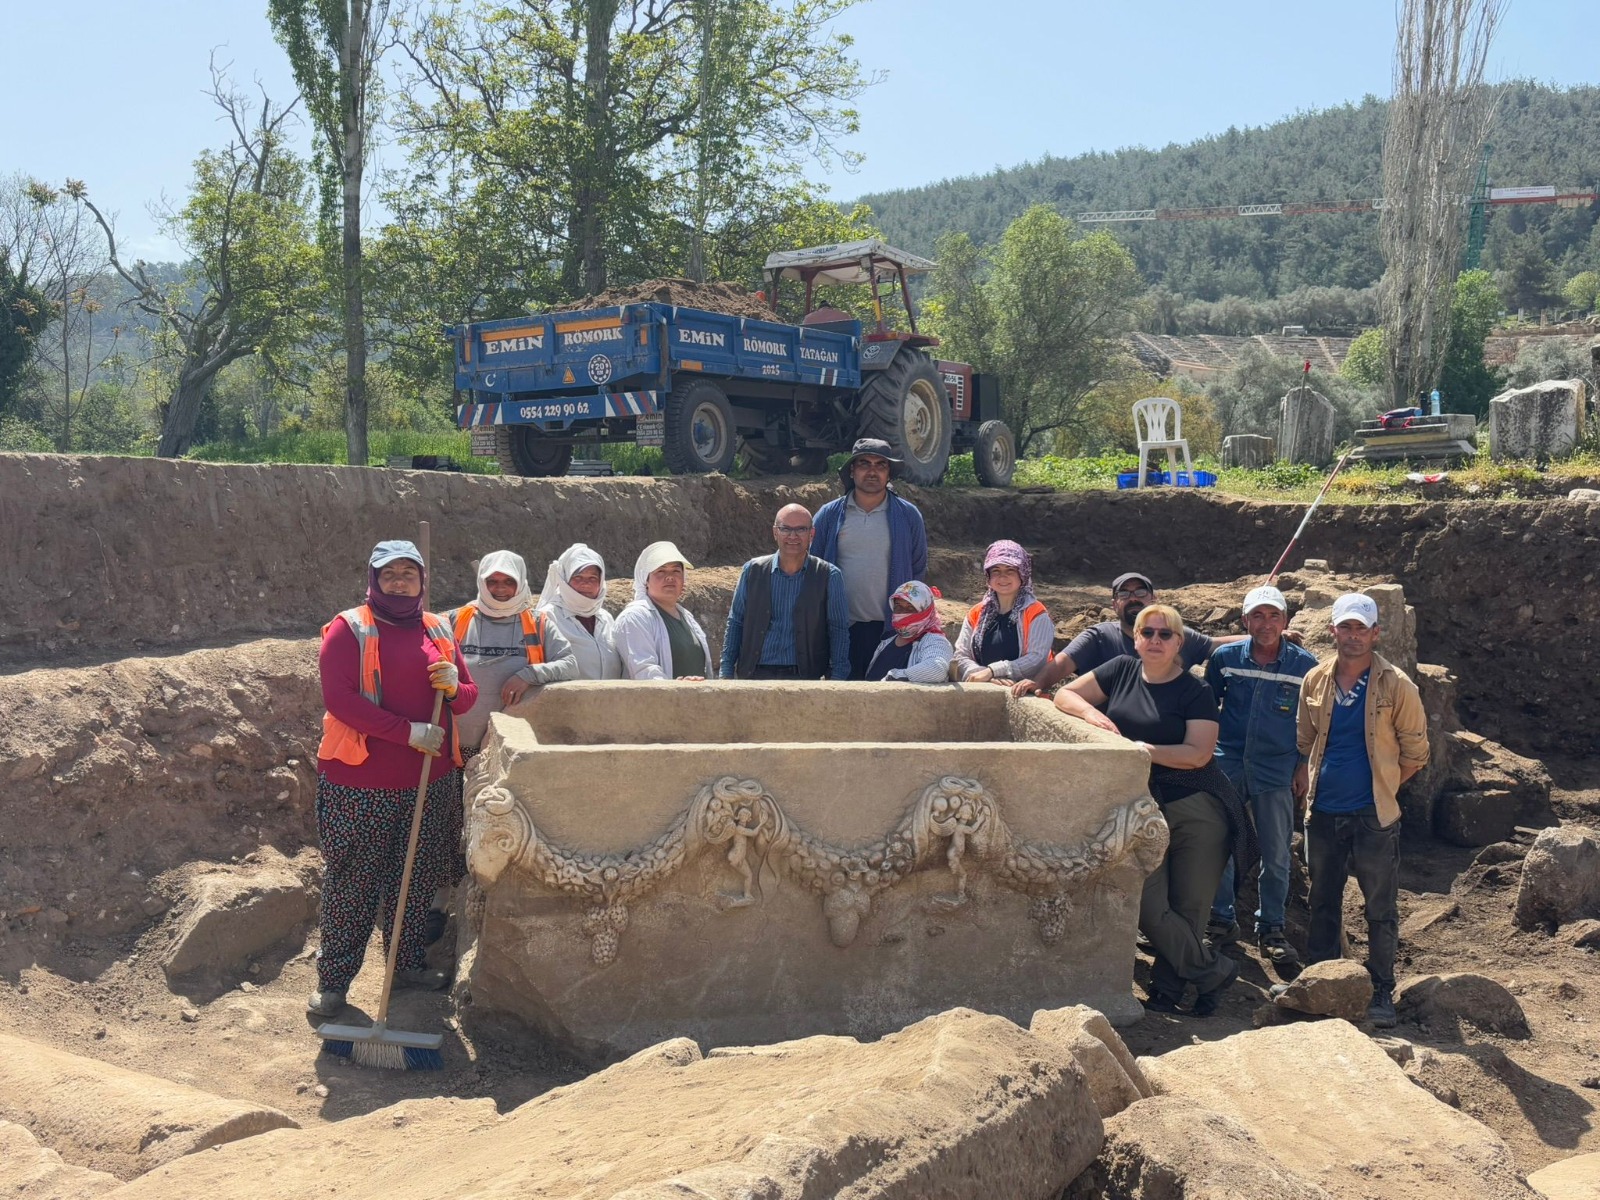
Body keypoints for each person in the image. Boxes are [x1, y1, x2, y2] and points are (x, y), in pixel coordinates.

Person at [1052, 604, 1253, 1016]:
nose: (1155, 640)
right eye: (1148, 632)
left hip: (1197, 809)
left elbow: (1197, 754)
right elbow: (1064, 694)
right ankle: (1213, 971)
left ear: (1179, 643)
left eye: (1165, 634)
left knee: (1189, 907)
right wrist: (1092, 714)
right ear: (1136, 639)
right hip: (1143, 809)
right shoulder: (1121, 670)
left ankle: (1167, 990)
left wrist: (1139, 750)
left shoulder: (1195, 692)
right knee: (1148, 905)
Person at [309, 540, 478, 1017]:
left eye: (409, 573)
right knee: (354, 882)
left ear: (422, 580)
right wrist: (407, 733)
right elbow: (341, 700)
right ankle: (333, 982)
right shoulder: (349, 629)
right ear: (374, 579)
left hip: (428, 781)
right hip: (361, 785)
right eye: (390, 574)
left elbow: (467, 696)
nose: (400, 582)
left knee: (415, 880)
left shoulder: (437, 628)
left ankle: (405, 967)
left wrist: (453, 686)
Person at [1293, 592, 1429, 1028]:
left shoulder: (1397, 686)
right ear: (1332, 630)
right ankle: (1319, 984)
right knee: (1322, 900)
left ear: (1376, 633)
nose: (1353, 636)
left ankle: (1381, 990)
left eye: (1361, 628)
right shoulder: (1315, 680)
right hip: (1323, 810)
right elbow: (1306, 740)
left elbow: (1416, 753)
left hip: (1374, 816)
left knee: (1379, 907)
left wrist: (1382, 790)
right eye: (1346, 627)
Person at [1203, 584, 1318, 967]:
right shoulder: (1225, 658)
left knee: (1276, 851)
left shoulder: (1305, 666)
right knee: (1220, 843)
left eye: (1273, 616)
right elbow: (1207, 707)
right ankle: (1220, 920)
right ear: (1245, 620)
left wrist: (1303, 764)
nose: (1265, 623)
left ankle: (1271, 927)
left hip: (1276, 769)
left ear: (1285, 621)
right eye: (1257, 615)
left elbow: (1313, 721)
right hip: (1229, 764)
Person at [1011, 572, 1245, 698]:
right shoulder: (1099, 637)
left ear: (1153, 599)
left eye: (1140, 592)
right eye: (1124, 594)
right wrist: (1038, 683)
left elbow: (1217, 645)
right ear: (1114, 604)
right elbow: (1061, 664)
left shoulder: (1176, 633)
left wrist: (1263, 639)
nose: (1133, 598)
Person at [812, 438, 929, 680]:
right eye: (864, 464)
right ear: (852, 471)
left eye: (880, 465)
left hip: (891, 631)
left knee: (887, 697)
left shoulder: (908, 516)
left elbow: (917, 569)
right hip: (842, 629)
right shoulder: (829, 515)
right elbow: (812, 568)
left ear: (889, 473)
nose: (872, 471)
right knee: (842, 696)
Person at [446, 550, 578, 751]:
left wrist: (529, 675)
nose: (500, 588)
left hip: (510, 747)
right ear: (482, 583)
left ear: (520, 582)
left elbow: (570, 665)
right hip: (455, 744)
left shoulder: (538, 624)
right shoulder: (456, 621)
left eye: (509, 581)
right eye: (492, 581)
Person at [720, 504, 850, 680]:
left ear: (811, 534)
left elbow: (838, 630)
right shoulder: (752, 571)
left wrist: (838, 678)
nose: (793, 536)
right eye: (785, 529)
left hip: (805, 679)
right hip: (755, 677)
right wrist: (726, 673)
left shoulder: (829, 575)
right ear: (775, 532)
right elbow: (736, 622)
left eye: (801, 529)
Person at [951, 540, 1055, 684]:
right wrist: (982, 674)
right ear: (988, 576)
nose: (1002, 577)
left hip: (1023, 691)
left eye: (1010, 570)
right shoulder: (977, 612)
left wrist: (994, 671)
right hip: (982, 686)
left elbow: (1037, 659)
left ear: (1022, 574)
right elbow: (961, 654)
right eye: (996, 571)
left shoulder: (1036, 613)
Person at [614, 541, 714, 681]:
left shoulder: (687, 617)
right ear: (646, 580)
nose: (670, 577)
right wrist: (674, 688)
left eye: (676, 571)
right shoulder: (634, 618)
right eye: (660, 571)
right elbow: (643, 670)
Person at [537, 543, 624, 680]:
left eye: (593, 578)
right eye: (578, 577)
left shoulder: (605, 618)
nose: (586, 584)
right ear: (565, 580)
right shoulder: (547, 617)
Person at [864, 581, 954, 682]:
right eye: (898, 607)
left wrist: (894, 677)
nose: (902, 613)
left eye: (911, 607)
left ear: (926, 611)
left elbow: (937, 669)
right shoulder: (885, 643)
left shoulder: (935, 641)